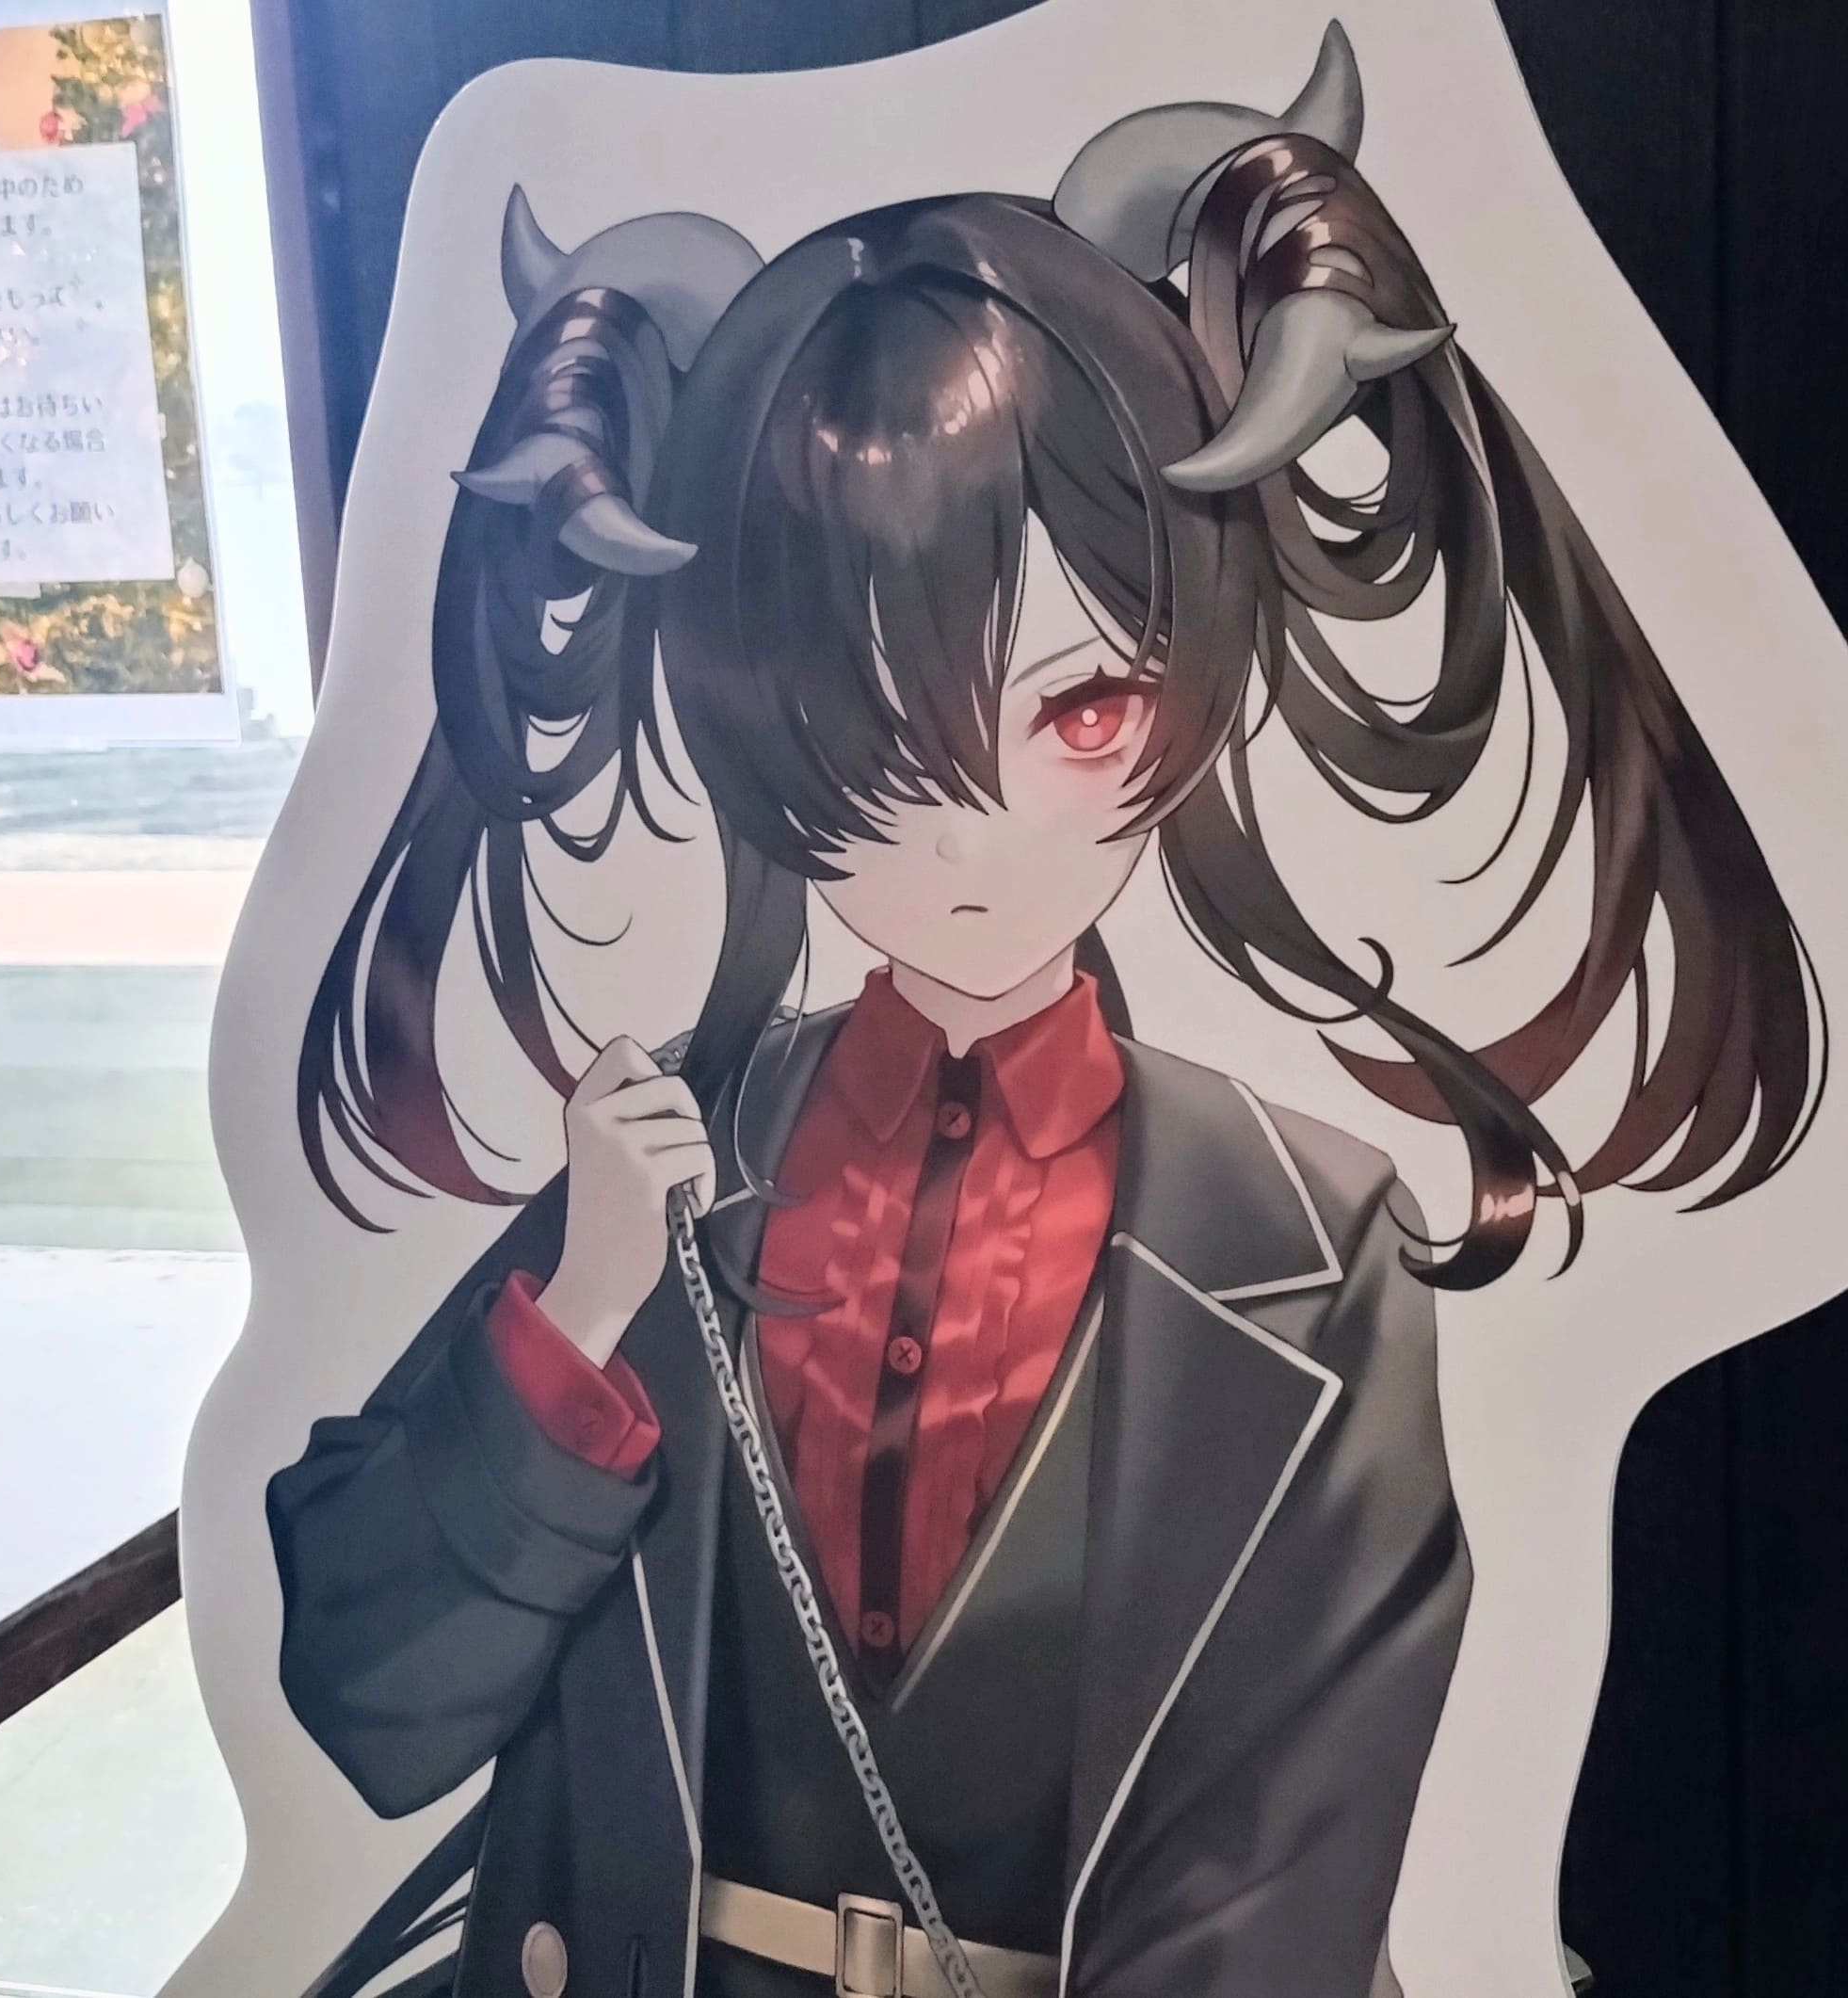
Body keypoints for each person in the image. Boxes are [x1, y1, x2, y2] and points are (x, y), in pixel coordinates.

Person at [266, 27, 1821, 1998]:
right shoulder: (662, 1171)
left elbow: (1277, 1870)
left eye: (1079, 709)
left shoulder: (1309, 1236)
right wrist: (575, 1308)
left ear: (1194, 670)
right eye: (846, 748)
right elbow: (373, 1695)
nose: (965, 838)